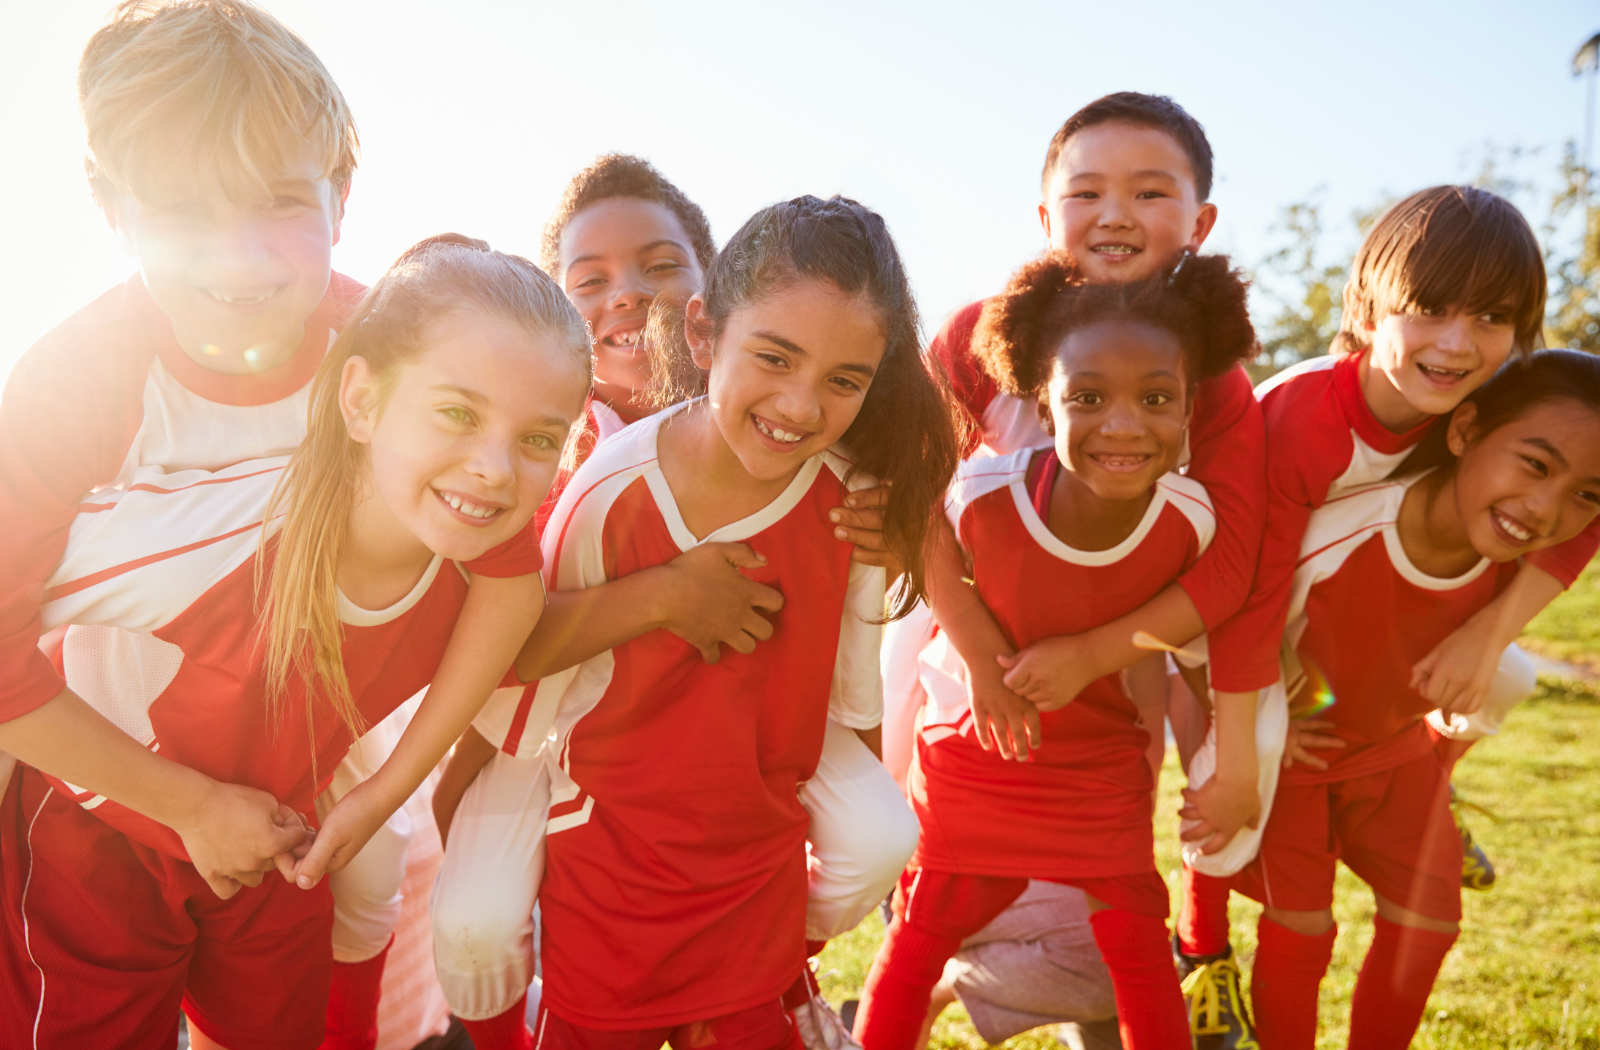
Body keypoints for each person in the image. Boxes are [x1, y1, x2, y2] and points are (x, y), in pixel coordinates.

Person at [0, 238, 592, 1050]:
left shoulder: (478, 559)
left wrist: (377, 796)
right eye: (457, 412)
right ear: (361, 400)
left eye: (538, 440)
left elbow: (516, 600)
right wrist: (192, 811)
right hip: (98, 838)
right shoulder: (212, 536)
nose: (494, 466)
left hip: (269, 844)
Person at [429, 195, 959, 1050]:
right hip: (591, 758)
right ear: (705, 334)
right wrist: (670, 594)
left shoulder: (854, 499)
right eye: (776, 359)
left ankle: (787, 971)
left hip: (754, 775)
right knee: (475, 921)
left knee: (878, 834)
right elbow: (521, 668)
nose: (800, 404)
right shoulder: (604, 481)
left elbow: (852, 698)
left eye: (843, 380)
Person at [1173, 185, 1596, 1046]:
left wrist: (1492, 627)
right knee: (1234, 793)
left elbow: (1585, 506)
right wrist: (1255, 728)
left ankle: (1432, 779)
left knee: (1501, 674)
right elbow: (1247, 597)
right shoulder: (1306, 424)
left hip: (1360, 629)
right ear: (1368, 304)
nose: (1455, 341)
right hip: (1217, 614)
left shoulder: (1506, 399)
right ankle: (1200, 945)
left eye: (1489, 317)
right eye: (1429, 308)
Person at [853, 251, 1258, 1050]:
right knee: (917, 939)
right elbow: (922, 526)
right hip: (979, 755)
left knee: (1140, 950)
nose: (1123, 423)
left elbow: (1201, 604)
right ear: (1044, 398)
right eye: (1088, 397)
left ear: (1187, 413)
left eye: (1155, 399)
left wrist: (1096, 654)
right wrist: (978, 660)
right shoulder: (990, 494)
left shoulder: (1188, 519)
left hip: (1098, 766)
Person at [1233, 350, 1600, 1049]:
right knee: (1301, 928)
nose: (1548, 508)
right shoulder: (1346, 531)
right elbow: (1239, 624)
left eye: (1587, 493)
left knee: (1431, 917)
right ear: (1463, 432)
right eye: (1536, 464)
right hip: (1299, 756)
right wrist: (1273, 719)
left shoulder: (1519, 555)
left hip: (1393, 751)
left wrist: (1491, 638)